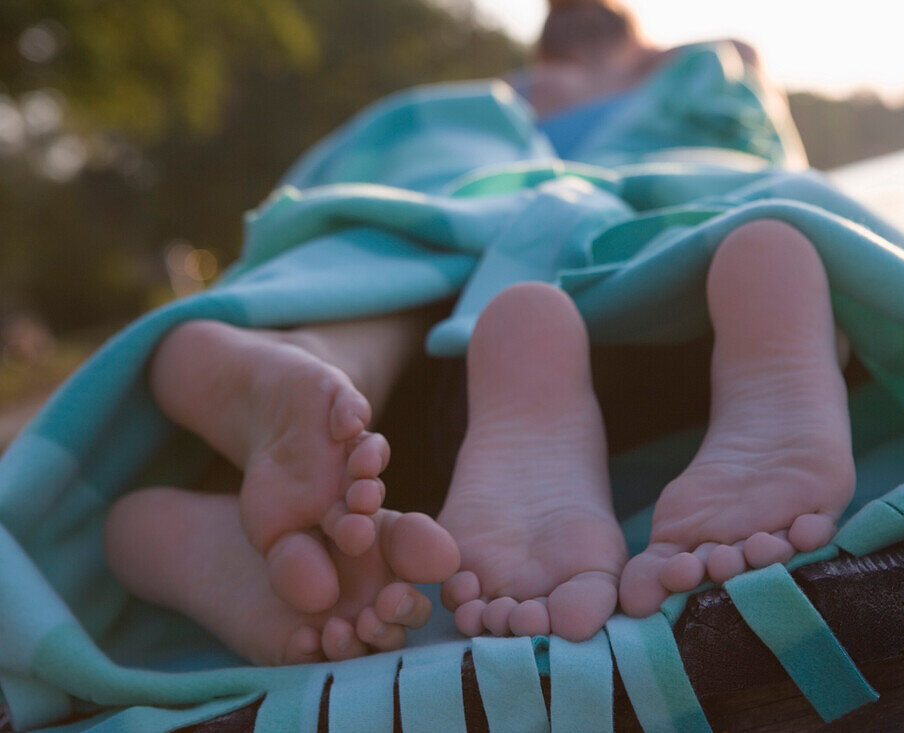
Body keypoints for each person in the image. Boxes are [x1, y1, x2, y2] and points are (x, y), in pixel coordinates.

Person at [101, 0, 852, 666]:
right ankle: (767, 317)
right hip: (636, 368)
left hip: (431, 430)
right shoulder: (686, 74)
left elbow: (327, 192)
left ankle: (308, 368)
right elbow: (766, 147)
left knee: (409, 240)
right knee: (702, 230)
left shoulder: (472, 113)